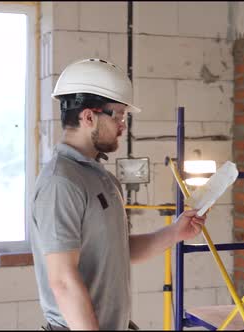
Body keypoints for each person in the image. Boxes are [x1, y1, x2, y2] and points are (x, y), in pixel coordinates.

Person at [30, 58, 207, 330]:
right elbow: (62, 281)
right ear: (88, 117)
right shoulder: (61, 182)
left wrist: (176, 232)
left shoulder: (101, 177)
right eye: (119, 115)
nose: (123, 125)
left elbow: (118, 250)